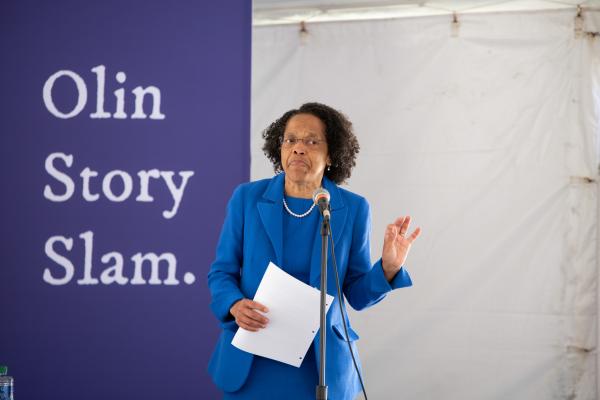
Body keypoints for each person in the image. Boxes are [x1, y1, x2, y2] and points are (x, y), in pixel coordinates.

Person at [207, 102, 421, 399]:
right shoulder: (247, 198)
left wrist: (388, 268)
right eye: (290, 140)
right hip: (254, 361)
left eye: (311, 141)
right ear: (279, 148)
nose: (298, 148)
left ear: (331, 153)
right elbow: (222, 272)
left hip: (321, 367)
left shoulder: (353, 208)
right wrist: (234, 304)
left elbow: (357, 295)